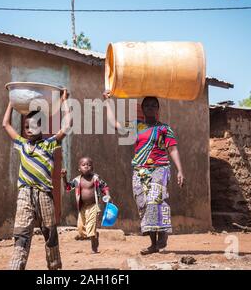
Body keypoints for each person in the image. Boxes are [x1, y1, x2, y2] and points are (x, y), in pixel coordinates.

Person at [103, 90, 185, 255]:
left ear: (158, 109)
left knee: (155, 200)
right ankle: (153, 244)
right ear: (142, 108)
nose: (150, 107)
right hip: (140, 170)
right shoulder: (135, 126)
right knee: (144, 204)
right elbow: (115, 125)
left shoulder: (164, 128)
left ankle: (162, 233)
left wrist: (180, 170)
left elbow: (173, 149)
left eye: (153, 105)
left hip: (159, 168)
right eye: (147, 105)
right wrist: (107, 102)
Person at [2, 89, 70, 270]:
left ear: (42, 127)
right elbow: (5, 124)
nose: (30, 129)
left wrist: (64, 102)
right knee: (21, 233)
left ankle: (54, 268)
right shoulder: (22, 144)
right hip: (25, 194)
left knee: (50, 234)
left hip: (45, 195)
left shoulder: (49, 144)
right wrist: (12, 101)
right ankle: (16, 266)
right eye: (26, 127)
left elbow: (67, 126)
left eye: (34, 125)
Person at [61, 157, 111, 254]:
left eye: (89, 165)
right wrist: (64, 177)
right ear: (79, 168)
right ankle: (94, 235)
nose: (86, 166)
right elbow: (67, 187)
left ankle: (94, 247)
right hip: (82, 207)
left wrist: (108, 195)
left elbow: (104, 186)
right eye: (83, 165)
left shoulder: (95, 178)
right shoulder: (77, 180)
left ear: (92, 168)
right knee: (80, 228)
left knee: (91, 227)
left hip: (93, 206)